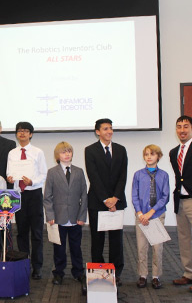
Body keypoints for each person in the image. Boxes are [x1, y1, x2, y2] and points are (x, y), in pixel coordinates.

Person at [84, 118, 127, 286]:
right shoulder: (90, 150)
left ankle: (116, 272)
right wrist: (105, 199)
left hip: (117, 202)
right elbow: (93, 176)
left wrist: (115, 198)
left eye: (111, 128)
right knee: (97, 239)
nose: (109, 131)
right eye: (105, 129)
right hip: (97, 201)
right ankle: (98, 272)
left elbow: (123, 175)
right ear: (97, 132)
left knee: (116, 240)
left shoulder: (121, 150)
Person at [7, 121, 47, 279]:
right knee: (21, 232)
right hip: (19, 195)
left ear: (31, 134)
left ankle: (37, 267)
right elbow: (10, 172)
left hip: (34, 194)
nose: (22, 133)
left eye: (25, 131)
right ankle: (24, 263)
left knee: (36, 233)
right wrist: (10, 177)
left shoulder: (38, 152)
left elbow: (43, 174)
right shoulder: (12, 153)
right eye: (19, 131)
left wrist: (33, 182)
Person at [43, 142, 87, 286]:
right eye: (63, 152)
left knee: (76, 247)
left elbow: (84, 195)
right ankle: (59, 273)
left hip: (75, 217)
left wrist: (82, 216)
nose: (67, 154)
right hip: (58, 217)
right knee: (59, 248)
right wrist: (50, 215)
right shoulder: (52, 172)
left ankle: (78, 272)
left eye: (69, 151)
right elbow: (47, 196)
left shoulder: (79, 171)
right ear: (58, 155)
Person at [132, 144, 169, 289]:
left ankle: (156, 276)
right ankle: (142, 275)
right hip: (141, 216)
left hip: (156, 215)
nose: (149, 157)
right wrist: (140, 213)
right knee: (142, 247)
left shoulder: (164, 175)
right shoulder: (138, 175)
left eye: (152, 154)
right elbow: (135, 195)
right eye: (146, 154)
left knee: (157, 248)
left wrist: (151, 212)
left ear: (158, 157)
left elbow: (165, 197)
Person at [170, 115, 192, 290]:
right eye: (179, 126)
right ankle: (188, 273)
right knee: (184, 239)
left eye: (185, 126)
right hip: (180, 201)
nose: (182, 130)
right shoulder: (173, 152)